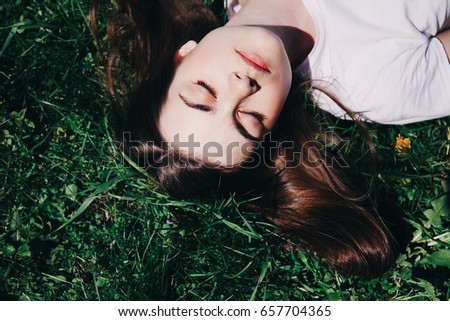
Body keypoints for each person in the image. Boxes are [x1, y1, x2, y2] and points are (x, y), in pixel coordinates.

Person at [89, 0, 449, 277]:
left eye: (204, 91)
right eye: (250, 119)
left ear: (183, 54)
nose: (243, 87)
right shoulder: (376, 84)